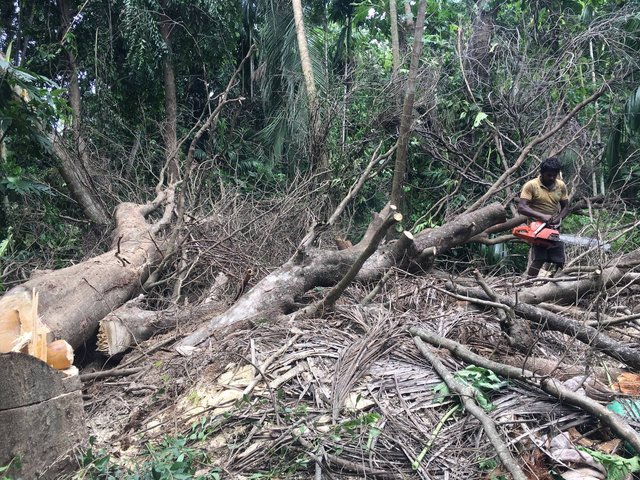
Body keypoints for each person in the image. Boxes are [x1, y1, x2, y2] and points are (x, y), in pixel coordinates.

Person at [518, 157, 570, 278]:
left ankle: (557, 282)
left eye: (554, 175)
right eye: (549, 175)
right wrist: (541, 216)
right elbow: (521, 208)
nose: (552, 178)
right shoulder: (531, 185)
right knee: (540, 258)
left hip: (553, 227)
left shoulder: (561, 186)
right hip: (536, 228)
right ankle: (529, 282)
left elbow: (566, 207)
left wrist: (558, 219)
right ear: (542, 173)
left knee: (559, 258)